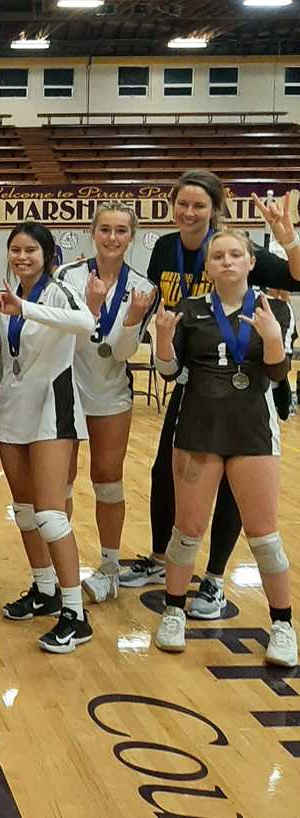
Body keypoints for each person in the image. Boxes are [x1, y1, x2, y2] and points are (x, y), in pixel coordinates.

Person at [127, 171, 300, 622]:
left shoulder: (238, 249)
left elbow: (296, 278)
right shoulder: (165, 249)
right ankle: (164, 562)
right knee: (165, 475)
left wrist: (288, 238)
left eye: (199, 205)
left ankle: (215, 575)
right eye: (182, 203)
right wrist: (159, 337)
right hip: (193, 384)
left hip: (248, 389)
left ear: (215, 209)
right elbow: (157, 310)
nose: (189, 212)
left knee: (235, 490)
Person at [154, 229, 296, 667]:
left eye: (236, 254)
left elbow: (277, 375)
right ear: (209, 266)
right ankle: (173, 612)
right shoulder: (187, 310)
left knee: (265, 535)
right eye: (219, 256)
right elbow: (169, 372)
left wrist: (272, 337)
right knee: (187, 530)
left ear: (251, 262)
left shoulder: (275, 310)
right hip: (198, 428)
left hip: (252, 430)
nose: (228, 261)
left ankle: (283, 625)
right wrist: (163, 340)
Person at [0, 222, 97, 654]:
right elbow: (6, 354)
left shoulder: (59, 291)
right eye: (15, 250)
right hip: (14, 408)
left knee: (51, 514)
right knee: (24, 511)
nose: (22, 257)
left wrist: (26, 309)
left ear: (47, 254)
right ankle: (45, 589)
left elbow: (86, 322)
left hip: (53, 407)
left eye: (30, 250)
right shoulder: (7, 296)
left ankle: (75, 614)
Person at [56, 203, 157, 603]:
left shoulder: (144, 288)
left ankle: (110, 568)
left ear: (131, 236)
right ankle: (58, 567)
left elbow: (120, 352)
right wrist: (92, 309)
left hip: (111, 393)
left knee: (108, 479)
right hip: (68, 390)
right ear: (92, 232)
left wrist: (131, 319)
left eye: (121, 231)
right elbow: (65, 339)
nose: (112, 238)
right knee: (61, 479)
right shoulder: (67, 277)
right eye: (105, 230)